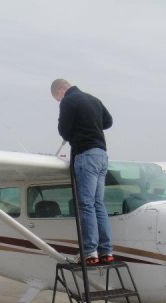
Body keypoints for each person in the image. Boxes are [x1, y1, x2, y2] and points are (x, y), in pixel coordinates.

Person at [50, 78, 114, 266]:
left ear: (61, 91)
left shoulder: (68, 101)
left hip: (85, 155)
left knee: (86, 204)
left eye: (57, 98)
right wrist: (91, 125)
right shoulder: (93, 99)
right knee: (98, 204)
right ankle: (107, 250)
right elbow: (108, 122)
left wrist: (79, 130)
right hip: (102, 155)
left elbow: (64, 131)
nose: (59, 101)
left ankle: (89, 251)